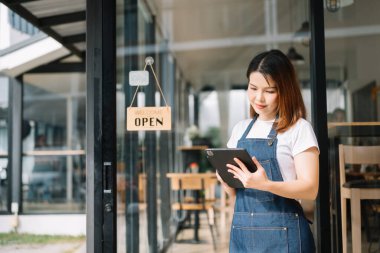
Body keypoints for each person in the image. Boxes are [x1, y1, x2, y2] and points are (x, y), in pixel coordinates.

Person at [216, 49, 319, 252]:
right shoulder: (239, 129)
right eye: (253, 88)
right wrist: (226, 181)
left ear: (285, 90)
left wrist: (266, 184)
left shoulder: (299, 128)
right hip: (243, 234)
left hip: (285, 236)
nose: (259, 98)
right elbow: (237, 197)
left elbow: (310, 189)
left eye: (269, 91)